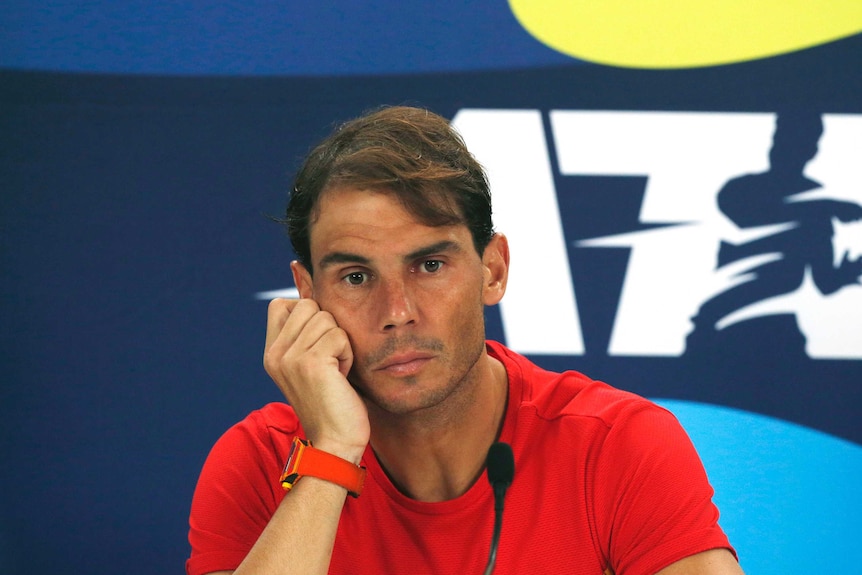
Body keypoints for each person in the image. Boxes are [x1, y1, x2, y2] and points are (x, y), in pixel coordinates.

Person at [186, 105, 744, 575]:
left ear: (493, 270)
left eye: (429, 265)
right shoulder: (259, 459)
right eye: (356, 277)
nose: (397, 312)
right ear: (307, 294)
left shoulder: (617, 445)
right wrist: (330, 453)